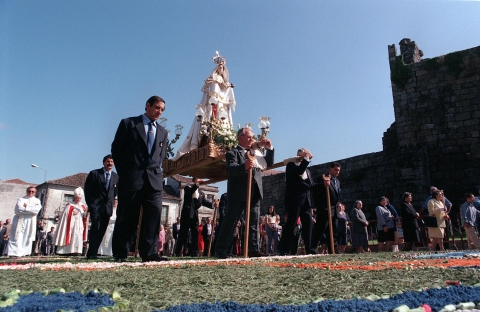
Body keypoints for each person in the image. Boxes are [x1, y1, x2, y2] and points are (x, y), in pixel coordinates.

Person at [111, 95, 169, 263]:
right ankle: (121, 253)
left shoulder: (163, 132)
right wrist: (125, 172)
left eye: (162, 110)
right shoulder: (129, 124)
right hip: (132, 179)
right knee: (127, 215)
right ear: (147, 105)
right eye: (157, 107)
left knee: (153, 216)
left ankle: (150, 253)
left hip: (154, 181)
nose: (159, 112)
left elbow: (161, 156)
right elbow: (117, 149)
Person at [215, 128, 274, 258]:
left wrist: (269, 148)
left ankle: (253, 249)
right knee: (231, 221)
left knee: (253, 221)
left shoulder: (255, 152)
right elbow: (231, 170)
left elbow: (269, 163)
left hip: (254, 191)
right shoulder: (233, 153)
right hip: (238, 192)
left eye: (252, 137)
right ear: (240, 138)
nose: (251, 140)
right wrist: (244, 166)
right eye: (248, 137)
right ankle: (221, 250)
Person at [173, 52, 236, 160]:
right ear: (217, 68)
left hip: (221, 106)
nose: (221, 68)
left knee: (223, 118)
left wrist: (228, 86)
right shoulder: (213, 77)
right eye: (219, 66)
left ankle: (223, 137)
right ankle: (209, 134)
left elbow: (224, 87)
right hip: (214, 103)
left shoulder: (223, 80)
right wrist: (217, 91)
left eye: (222, 67)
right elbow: (213, 87)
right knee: (211, 116)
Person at [278, 148, 317, 255]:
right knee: (291, 224)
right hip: (294, 200)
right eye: (304, 153)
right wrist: (306, 159)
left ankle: (310, 248)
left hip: (306, 201)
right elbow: (299, 171)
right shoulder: (291, 165)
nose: (306, 154)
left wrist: (323, 184)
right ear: (299, 155)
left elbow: (311, 185)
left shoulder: (307, 171)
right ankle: (283, 249)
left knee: (308, 223)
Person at [84, 154, 119, 259]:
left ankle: (94, 251)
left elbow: (115, 192)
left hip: (107, 208)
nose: (110, 163)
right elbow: (87, 190)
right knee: (95, 228)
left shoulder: (115, 177)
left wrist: (114, 201)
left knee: (102, 229)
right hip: (96, 206)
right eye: (108, 161)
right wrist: (91, 204)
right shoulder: (94, 174)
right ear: (104, 163)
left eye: (112, 162)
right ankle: (91, 253)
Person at [175, 177, 216, 257]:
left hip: (195, 216)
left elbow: (205, 202)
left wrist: (213, 205)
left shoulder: (201, 193)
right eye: (197, 180)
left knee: (195, 233)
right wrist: (197, 184)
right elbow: (191, 191)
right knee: (183, 234)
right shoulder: (188, 188)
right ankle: (178, 251)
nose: (199, 181)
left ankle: (193, 252)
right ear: (193, 181)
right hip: (186, 215)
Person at [312, 162, 342, 254]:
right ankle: (312, 248)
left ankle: (333, 249)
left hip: (334, 210)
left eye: (339, 171)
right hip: (325, 209)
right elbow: (315, 189)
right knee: (320, 229)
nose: (337, 172)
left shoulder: (337, 182)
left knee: (333, 231)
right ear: (330, 169)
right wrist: (323, 184)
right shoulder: (324, 177)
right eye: (335, 170)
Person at [7, 186, 42, 257]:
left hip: (30, 220)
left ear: (35, 193)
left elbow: (36, 211)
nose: (31, 193)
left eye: (33, 192)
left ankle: (25, 252)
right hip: (20, 219)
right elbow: (18, 210)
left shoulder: (37, 200)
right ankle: (14, 252)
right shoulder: (21, 199)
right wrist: (31, 209)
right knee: (17, 235)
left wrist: (26, 207)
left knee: (27, 235)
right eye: (29, 191)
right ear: (26, 191)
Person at [54, 187, 88, 255]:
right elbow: (66, 214)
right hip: (71, 224)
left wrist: (87, 213)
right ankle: (66, 251)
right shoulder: (70, 205)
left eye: (79, 198)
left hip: (79, 224)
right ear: (74, 197)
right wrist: (72, 213)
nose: (78, 199)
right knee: (71, 236)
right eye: (77, 198)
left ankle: (76, 251)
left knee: (78, 237)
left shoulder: (83, 206)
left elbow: (84, 216)